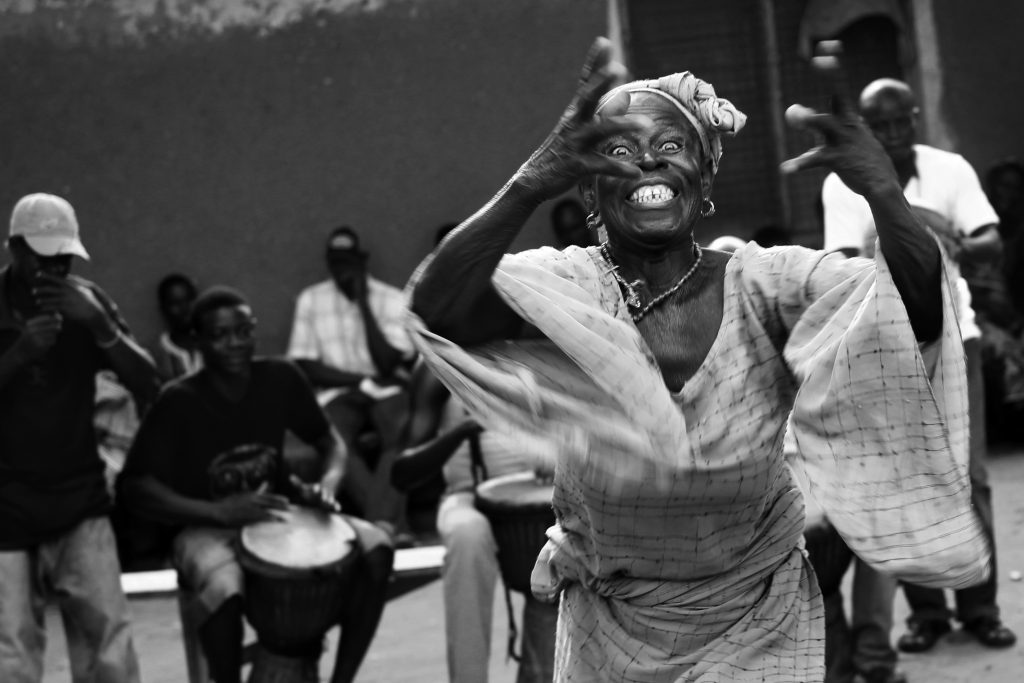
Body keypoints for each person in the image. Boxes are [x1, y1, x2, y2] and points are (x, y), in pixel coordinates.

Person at [404, 38, 989, 681]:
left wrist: (884, 193)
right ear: (592, 195)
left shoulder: (767, 284)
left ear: (703, 179)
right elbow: (437, 314)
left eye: (672, 145)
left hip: (758, 617)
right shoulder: (564, 288)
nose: (649, 159)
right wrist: (530, 183)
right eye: (620, 151)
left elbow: (912, 314)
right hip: (610, 626)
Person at [821, 78, 1016, 667]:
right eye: (877, 126)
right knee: (913, 479)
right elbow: (847, 264)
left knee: (969, 477)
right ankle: (928, 614)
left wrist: (953, 234)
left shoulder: (950, 169)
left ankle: (980, 607)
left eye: (899, 122)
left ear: (914, 118)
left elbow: (989, 242)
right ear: (864, 126)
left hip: (960, 340)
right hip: (891, 346)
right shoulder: (841, 182)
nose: (891, 135)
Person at [118, 285, 394, 683]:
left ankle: (341, 679)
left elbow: (329, 441)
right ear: (198, 341)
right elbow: (135, 487)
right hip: (204, 526)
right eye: (220, 334)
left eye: (244, 331)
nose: (235, 343)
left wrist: (328, 484)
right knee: (225, 587)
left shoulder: (280, 377)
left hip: (277, 513)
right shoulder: (177, 401)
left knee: (378, 549)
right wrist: (218, 511)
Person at [0, 193, 159, 682]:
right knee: (12, 652)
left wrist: (101, 325)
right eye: (43, 258)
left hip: (78, 496)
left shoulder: (88, 302)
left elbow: (149, 384)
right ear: (14, 250)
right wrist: (19, 355)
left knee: (108, 643)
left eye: (63, 258)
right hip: (4, 503)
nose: (54, 269)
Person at [393, 360, 558, 683]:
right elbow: (403, 473)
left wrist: (553, 453)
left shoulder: (537, 355)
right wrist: (464, 428)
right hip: (467, 496)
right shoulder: (438, 364)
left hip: (536, 496)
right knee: (467, 535)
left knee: (560, 538)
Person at [288, 225, 416, 538]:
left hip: (386, 390)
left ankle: (374, 529)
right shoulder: (311, 300)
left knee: (399, 433)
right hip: (337, 392)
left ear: (362, 259)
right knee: (336, 441)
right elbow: (306, 365)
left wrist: (362, 302)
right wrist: (360, 380)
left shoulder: (392, 298)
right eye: (335, 260)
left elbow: (389, 361)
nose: (341, 267)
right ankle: (389, 528)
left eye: (348, 259)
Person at [154, 272, 202, 381]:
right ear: (163, 308)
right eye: (175, 303)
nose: (185, 308)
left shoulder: (215, 345)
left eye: (189, 300)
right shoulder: (156, 354)